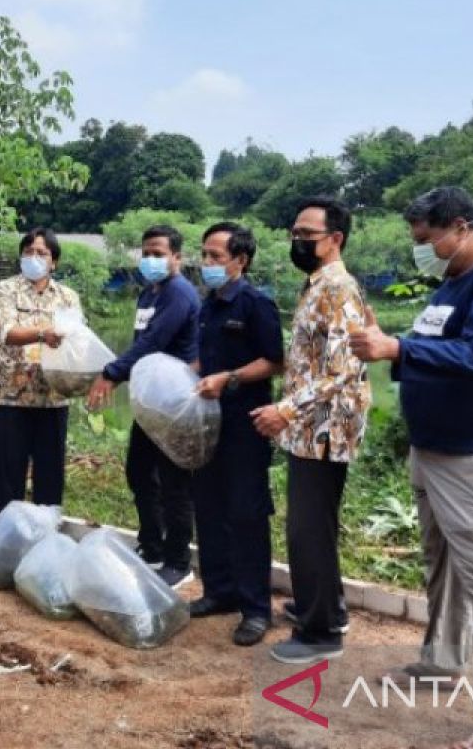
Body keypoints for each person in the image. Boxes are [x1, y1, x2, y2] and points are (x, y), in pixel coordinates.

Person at [350, 187, 473, 749]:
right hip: (441, 453)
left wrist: (396, 349)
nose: (424, 250)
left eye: (427, 239)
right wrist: (395, 344)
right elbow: (434, 341)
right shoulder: (456, 279)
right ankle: (441, 663)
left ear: (460, 226)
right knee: (444, 566)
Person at [251, 197, 371, 663]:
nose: (297, 241)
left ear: (335, 239)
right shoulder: (317, 285)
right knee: (313, 525)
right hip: (311, 426)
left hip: (326, 427)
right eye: (295, 233)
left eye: (308, 235)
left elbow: (341, 369)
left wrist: (285, 408)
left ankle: (321, 634)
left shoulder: (337, 288)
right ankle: (326, 609)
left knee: (308, 529)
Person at [86, 226, 201, 589]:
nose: (150, 259)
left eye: (158, 253)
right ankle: (151, 545)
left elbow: (154, 342)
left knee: (174, 485)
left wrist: (112, 373)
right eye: (146, 252)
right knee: (139, 472)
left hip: (176, 404)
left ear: (176, 258)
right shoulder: (150, 294)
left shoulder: (179, 294)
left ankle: (179, 561)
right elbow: (142, 343)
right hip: (152, 403)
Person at [189, 222, 284, 647]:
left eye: (215, 256)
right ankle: (219, 591)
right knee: (208, 506)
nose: (206, 263)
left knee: (246, 513)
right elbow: (202, 359)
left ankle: (256, 609)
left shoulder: (255, 304)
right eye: (204, 255)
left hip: (245, 424)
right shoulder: (207, 305)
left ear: (240, 260)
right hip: (207, 424)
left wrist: (227, 378)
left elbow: (274, 361)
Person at [0, 228, 81, 515]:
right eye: (29, 252)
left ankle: (45, 538)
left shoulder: (68, 297)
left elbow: (76, 338)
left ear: (55, 262)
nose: (34, 257)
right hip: (13, 396)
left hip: (54, 397)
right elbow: (6, 332)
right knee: (8, 472)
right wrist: (43, 333)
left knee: (50, 474)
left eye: (42, 253)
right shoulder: (4, 290)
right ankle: (4, 537)